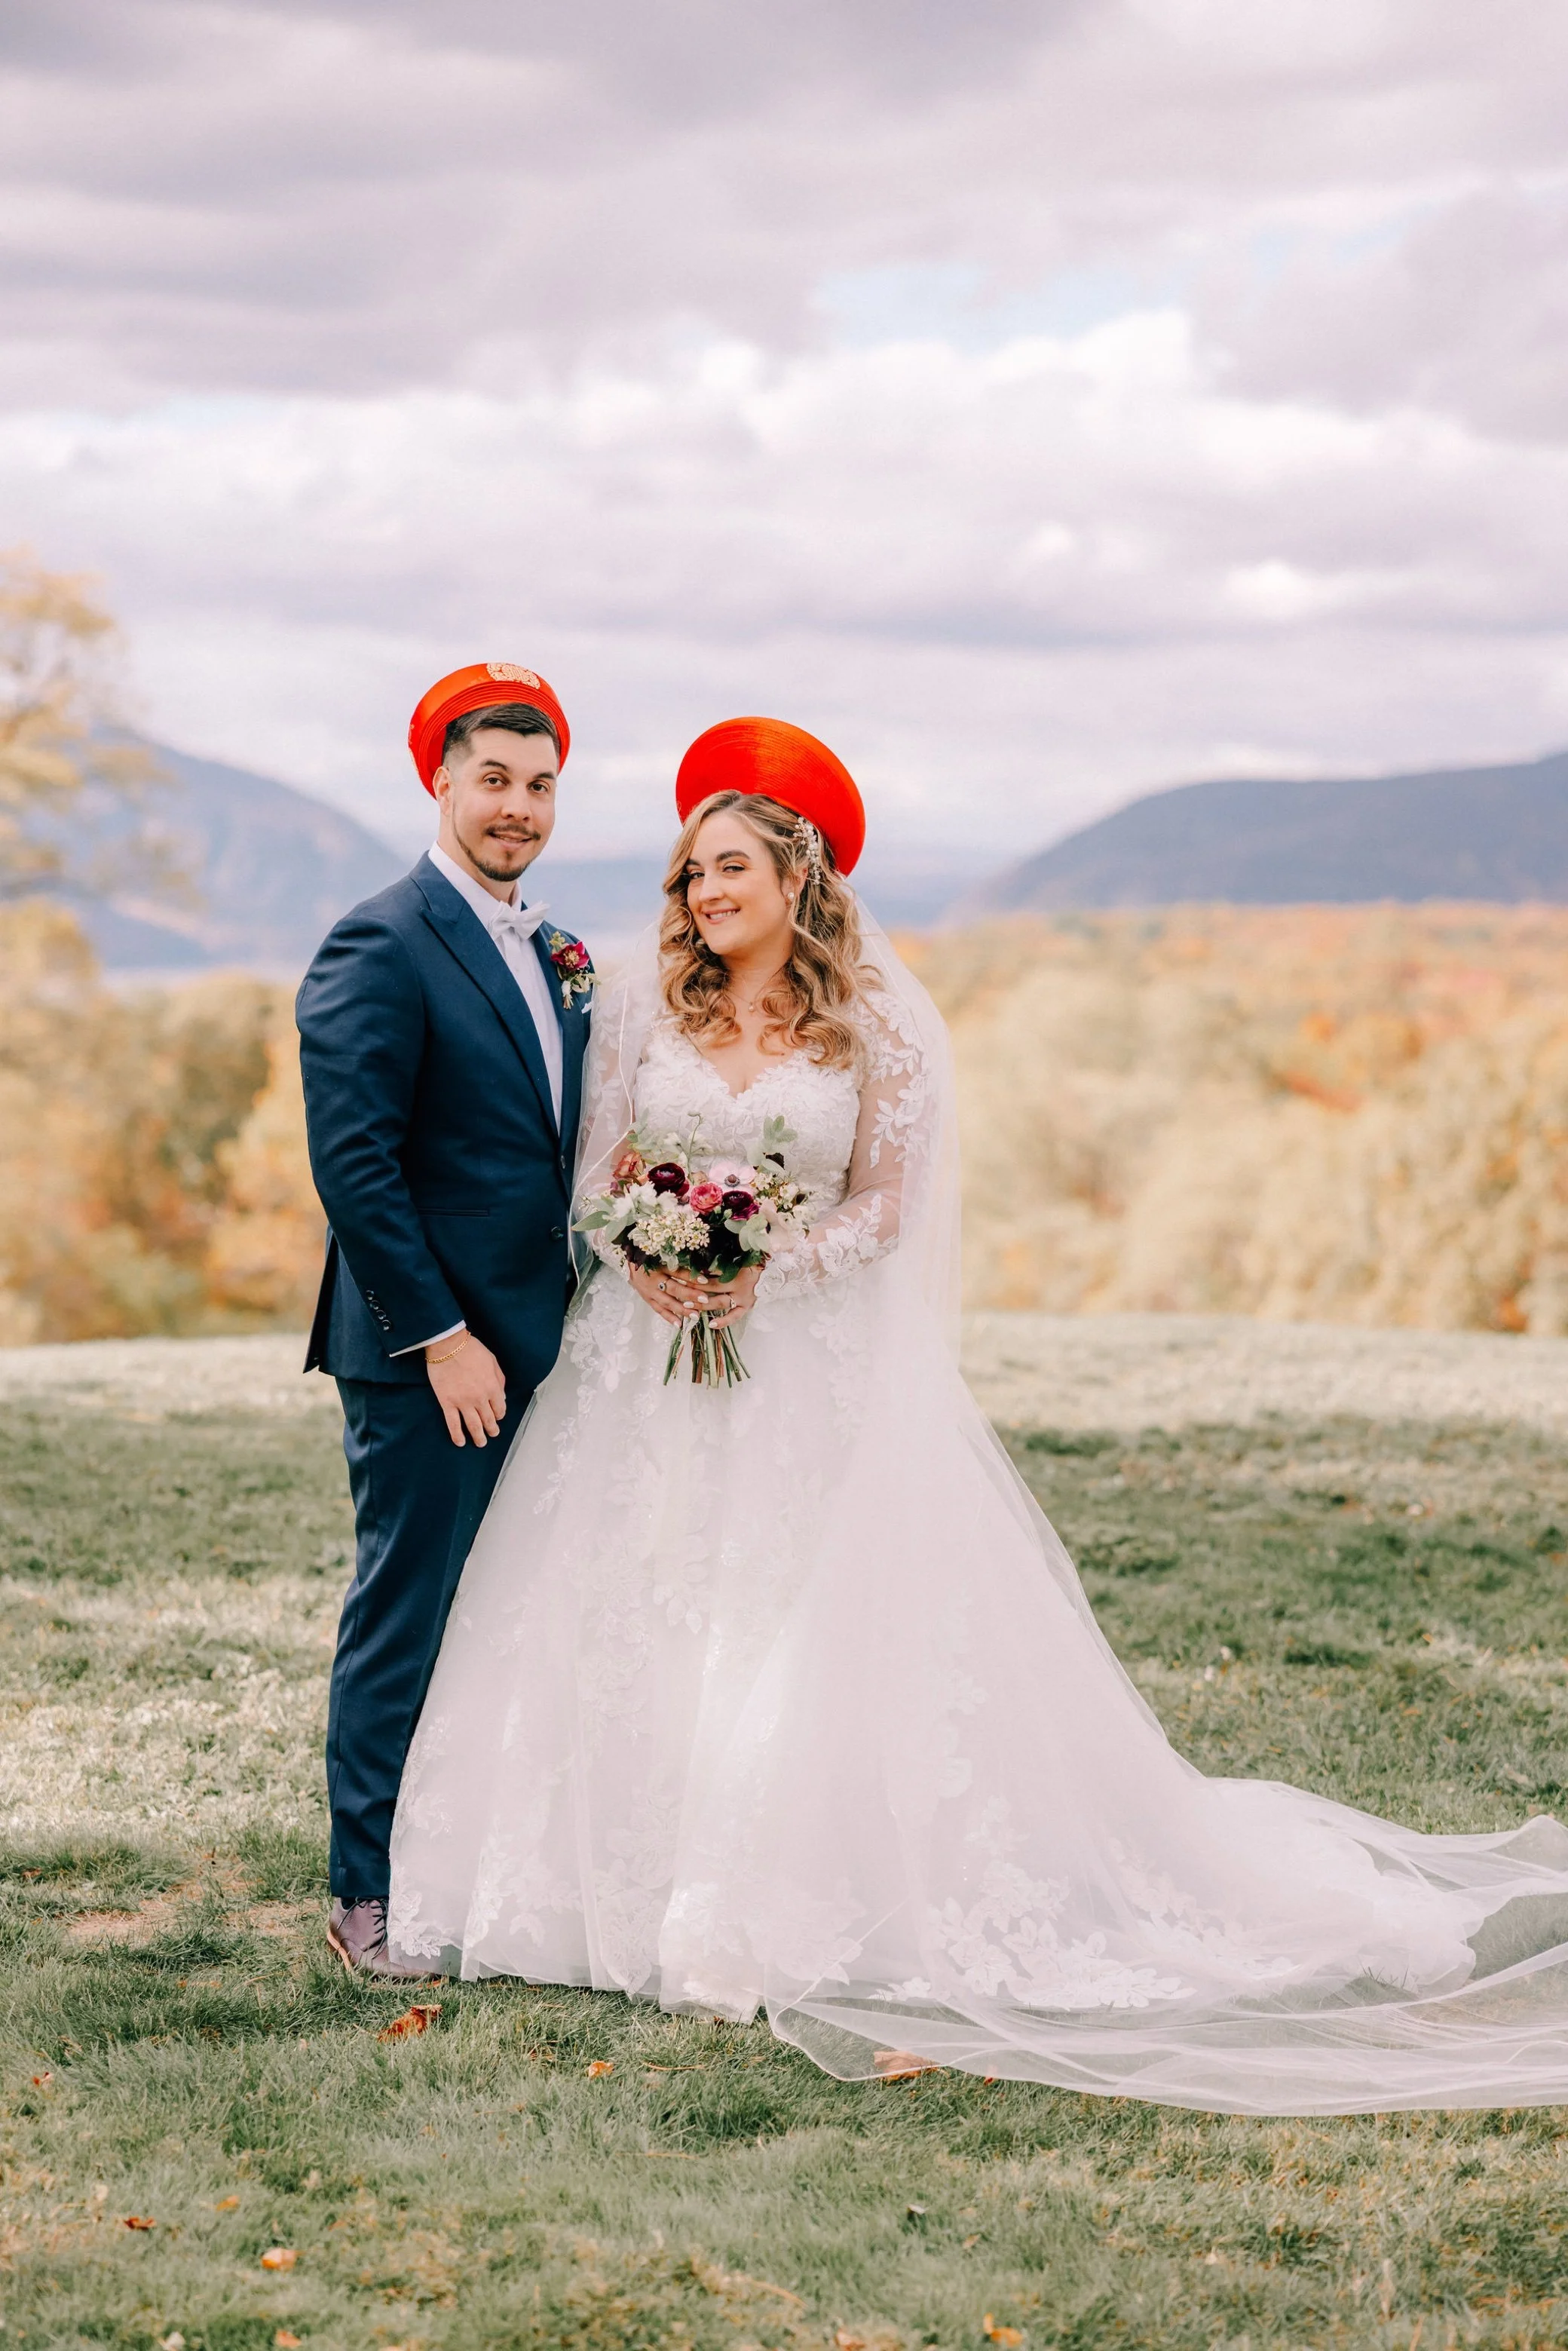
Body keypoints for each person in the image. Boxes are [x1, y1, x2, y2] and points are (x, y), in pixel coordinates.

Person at [386, 715, 1568, 2113]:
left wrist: (770, 1264)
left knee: (792, 1620)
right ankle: (602, 1897)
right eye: (692, 871)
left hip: (802, 1361)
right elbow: (595, 1174)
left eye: (732, 868)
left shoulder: (874, 1020)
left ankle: (771, 1898)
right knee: (637, 1604)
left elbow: (888, 1203)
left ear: (797, 877)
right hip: (639, 1371)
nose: (705, 892)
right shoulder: (645, 1005)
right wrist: (652, 1255)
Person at [297, 662, 591, 1976]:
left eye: (540, 784)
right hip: (432, 1354)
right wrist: (439, 1336)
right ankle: (365, 1890)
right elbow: (355, 1162)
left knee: (508, 1611)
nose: (518, 806)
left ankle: (472, 1863)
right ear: (441, 781)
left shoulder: (560, 954)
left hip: (543, 1338)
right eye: (494, 779)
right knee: (407, 1610)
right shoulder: (382, 940)